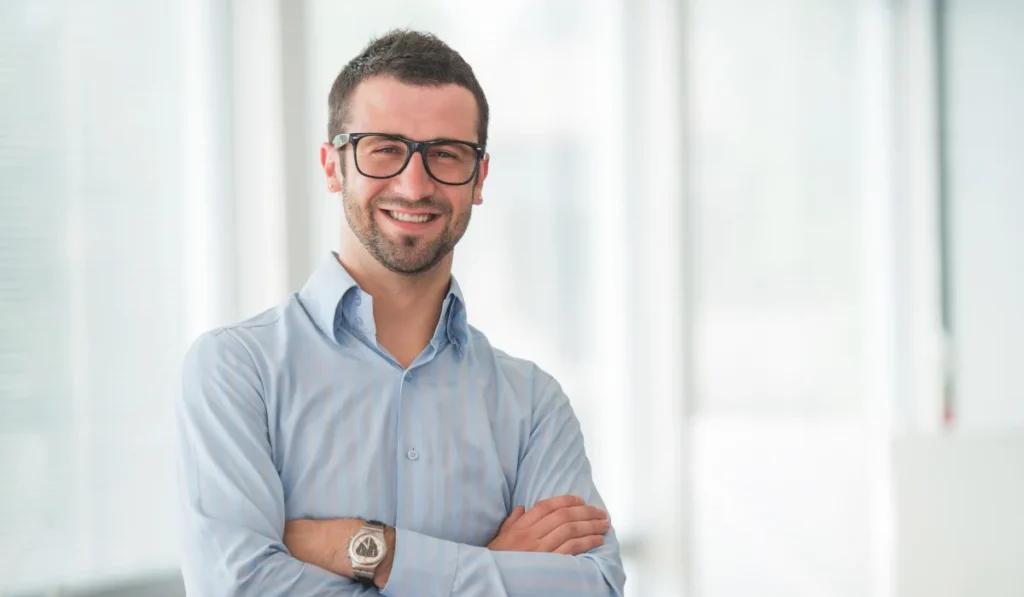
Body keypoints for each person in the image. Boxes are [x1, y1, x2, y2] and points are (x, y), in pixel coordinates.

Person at [175, 29, 625, 596]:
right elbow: (238, 589)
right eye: (384, 148)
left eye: (446, 154)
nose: (415, 186)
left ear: (479, 179)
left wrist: (369, 550)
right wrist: (491, 569)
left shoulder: (532, 405)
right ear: (333, 166)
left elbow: (593, 587)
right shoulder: (237, 372)